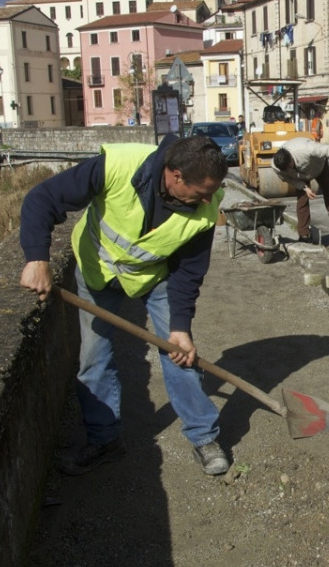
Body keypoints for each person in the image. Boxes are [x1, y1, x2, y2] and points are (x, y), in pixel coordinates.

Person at [19, 134, 231, 476]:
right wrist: (37, 259)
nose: (208, 199)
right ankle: (104, 440)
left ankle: (204, 437)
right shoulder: (118, 165)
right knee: (94, 358)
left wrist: (180, 326)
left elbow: (188, 272)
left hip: (153, 277)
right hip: (97, 272)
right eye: (202, 191)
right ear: (175, 176)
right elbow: (42, 198)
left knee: (179, 352)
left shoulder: (206, 206)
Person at [271, 137, 329, 242]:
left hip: (318, 166)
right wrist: (304, 187)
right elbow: (288, 179)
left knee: (328, 188)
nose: (288, 170)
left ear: (291, 159)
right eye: (286, 170)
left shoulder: (308, 149)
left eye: (289, 167)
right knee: (302, 200)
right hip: (300, 177)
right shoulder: (276, 167)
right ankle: (304, 234)